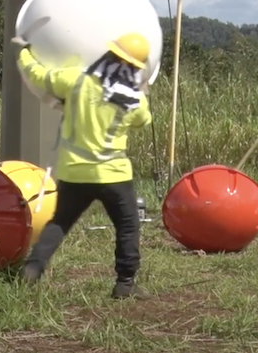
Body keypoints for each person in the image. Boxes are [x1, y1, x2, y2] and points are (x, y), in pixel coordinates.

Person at [11, 32, 153, 300]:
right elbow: (143, 120)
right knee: (128, 226)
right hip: (114, 175)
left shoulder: (76, 80)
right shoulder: (134, 99)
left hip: (75, 172)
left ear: (109, 54)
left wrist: (25, 53)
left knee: (60, 222)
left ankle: (33, 267)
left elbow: (39, 75)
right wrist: (141, 89)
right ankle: (125, 283)